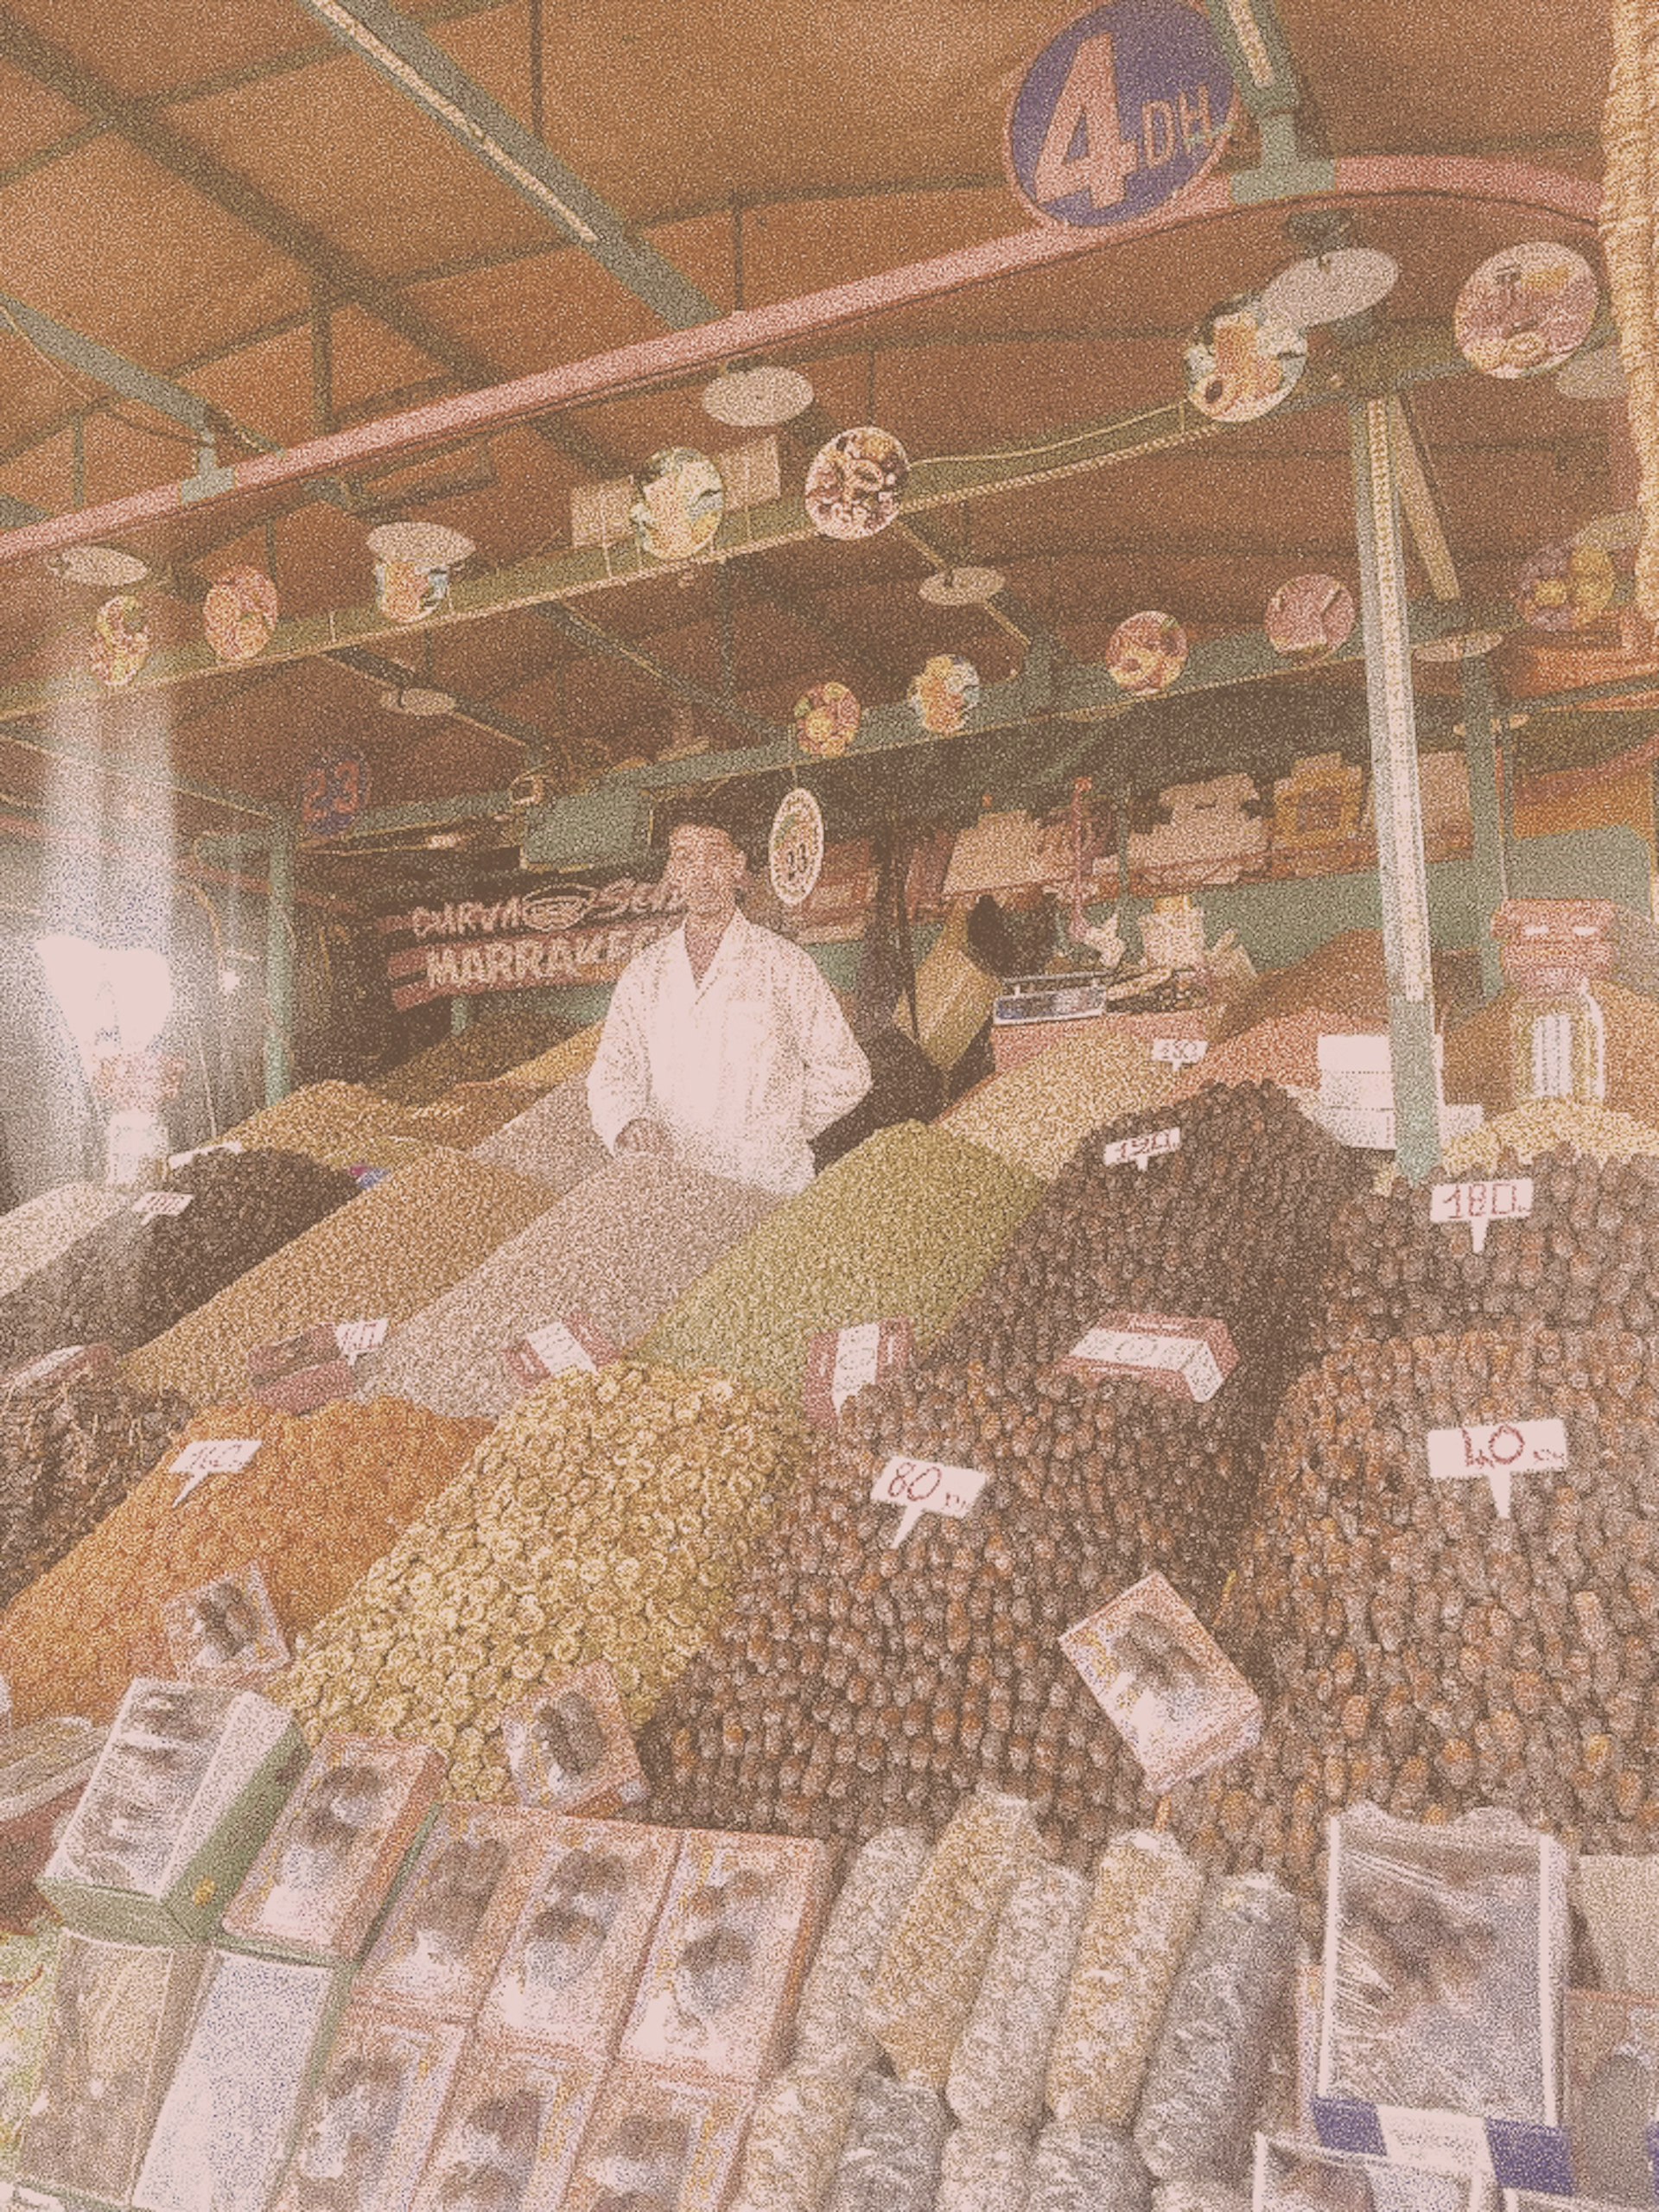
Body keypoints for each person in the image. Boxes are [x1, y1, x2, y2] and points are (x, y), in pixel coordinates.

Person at [587, 817, 871, 1195]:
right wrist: (629, 1123)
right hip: (675, 1188)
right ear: (672, 872)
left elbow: (847, 1071)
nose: (701, 876)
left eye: (715, 858)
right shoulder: (644, 975)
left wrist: (777, 1126)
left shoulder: (784, 964)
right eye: (686, 859)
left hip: (767, 1186)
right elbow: (611, 1073)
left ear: (737, 866)